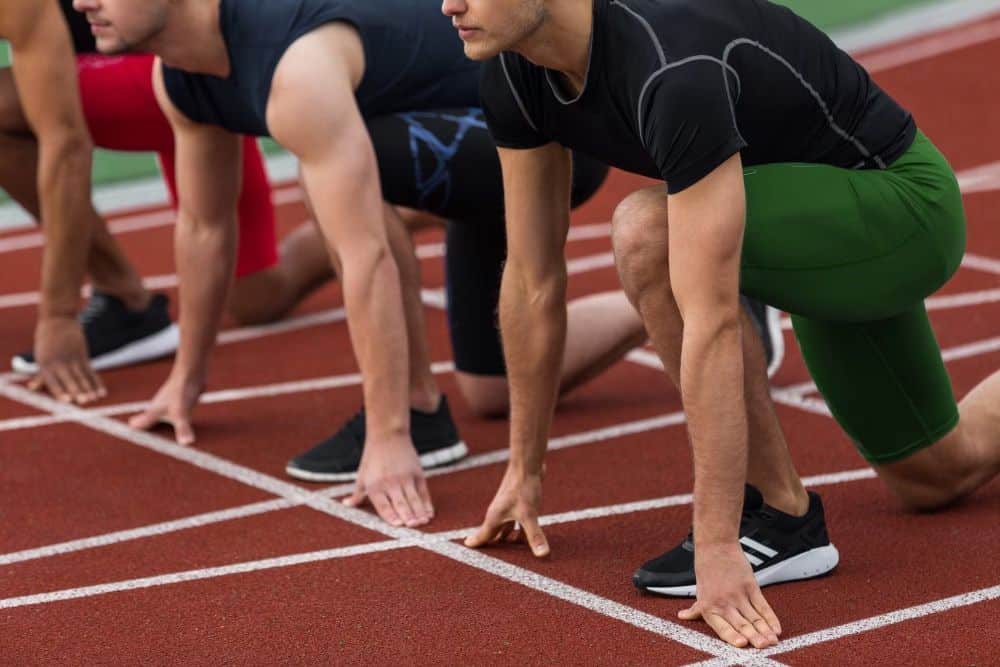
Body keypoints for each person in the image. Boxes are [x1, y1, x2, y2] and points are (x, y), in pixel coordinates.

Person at [444, 0, 1000, 650]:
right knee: (939, 472)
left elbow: (709, 319)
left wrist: (716, 542)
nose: (449, 4)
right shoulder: (514, 70)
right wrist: (523, 468)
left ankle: (778, 513)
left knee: (648, 234)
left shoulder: (671, 63)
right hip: (809, 236)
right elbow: (531, 279)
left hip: (901, 211)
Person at [72, 0, 690, 529]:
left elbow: (364, 254)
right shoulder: (180, 78)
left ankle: (417, 413)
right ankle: (685, 298)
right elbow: (204, 226)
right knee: (495, 387)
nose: (79, 2)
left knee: (338, 187)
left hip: (545, 140)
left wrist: (389, 435)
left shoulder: (296, 65)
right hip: (464, 141)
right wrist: (187, 376)